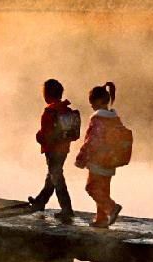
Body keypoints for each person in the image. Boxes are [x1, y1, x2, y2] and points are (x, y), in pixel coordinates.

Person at [73, 82, 124, 229]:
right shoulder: (114, 119)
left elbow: (92, 141)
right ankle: (101, 219)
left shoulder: (98, 119)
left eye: (92, 103)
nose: (91, 106)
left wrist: (81, 159)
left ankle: (112, 208)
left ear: (98, 101)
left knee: (91, 188)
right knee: (103, 190)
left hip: (98, 161)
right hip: (111, 160)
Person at [28, 78, 77, 224]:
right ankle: (40, 202)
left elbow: (45, 135)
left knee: (57, 178)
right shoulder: (65, 110)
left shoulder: (49, 112)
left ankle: (67, 208)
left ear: (47, 95)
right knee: (53, 175)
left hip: (52, 150)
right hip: (64, 149)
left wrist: (38, 136)